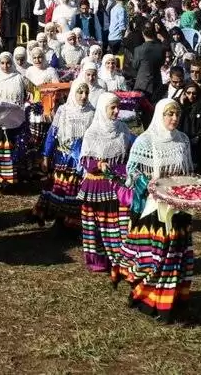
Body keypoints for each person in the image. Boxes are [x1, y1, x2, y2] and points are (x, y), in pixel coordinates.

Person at [113, 99, 195, 321]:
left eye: (177, 114)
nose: (174, 119)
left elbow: (188, 170)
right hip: (153, 209)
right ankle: (147, 296)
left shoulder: (183, 140)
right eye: (169, 114)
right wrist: (150, 183)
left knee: (176, 252)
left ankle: (170, 299)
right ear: (160, 115)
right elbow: (132, 173)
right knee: (156, 254)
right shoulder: (145, 141)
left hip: (178, 207)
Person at [77, 92, 132, 273]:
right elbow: (85, 160)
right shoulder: (92, 132)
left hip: (118, 184)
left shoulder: (123, 129)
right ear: (103, 109)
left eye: (118, 107)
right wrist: (98, 164)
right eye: (112, 108)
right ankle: (99, 260)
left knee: (118, 225)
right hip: (97, 185)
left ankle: (120, 260)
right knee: (98, 225)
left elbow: (130, 154)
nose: (117, 111)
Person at [33, 78, 95, 229]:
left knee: (74, 190)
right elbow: (52, 133)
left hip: (80, 160)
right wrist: (46, 156)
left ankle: (71, 222)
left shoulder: (92, 113)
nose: (83, 96)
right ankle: (56, 219)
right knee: (59, 189)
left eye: (86, 92)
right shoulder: (64, 110)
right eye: (80, 92)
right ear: (73, 93)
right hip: (63, 157)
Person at [0, 52, 30, 188]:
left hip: (15, 120)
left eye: (8, 63)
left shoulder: (20, 78)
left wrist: (27, 105)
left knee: (11, 149)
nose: (5, 66)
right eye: (2, 63)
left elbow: (33, 93)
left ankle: (9, 178)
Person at [179, 82, 201, 175]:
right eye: (188, 93)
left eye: (194, 93)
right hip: (182, 145)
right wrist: (182, 105)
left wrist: (197, 138)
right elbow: (177, 123)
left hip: (198, 146)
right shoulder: (181, 106)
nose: (191, 96)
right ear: (184, 93)